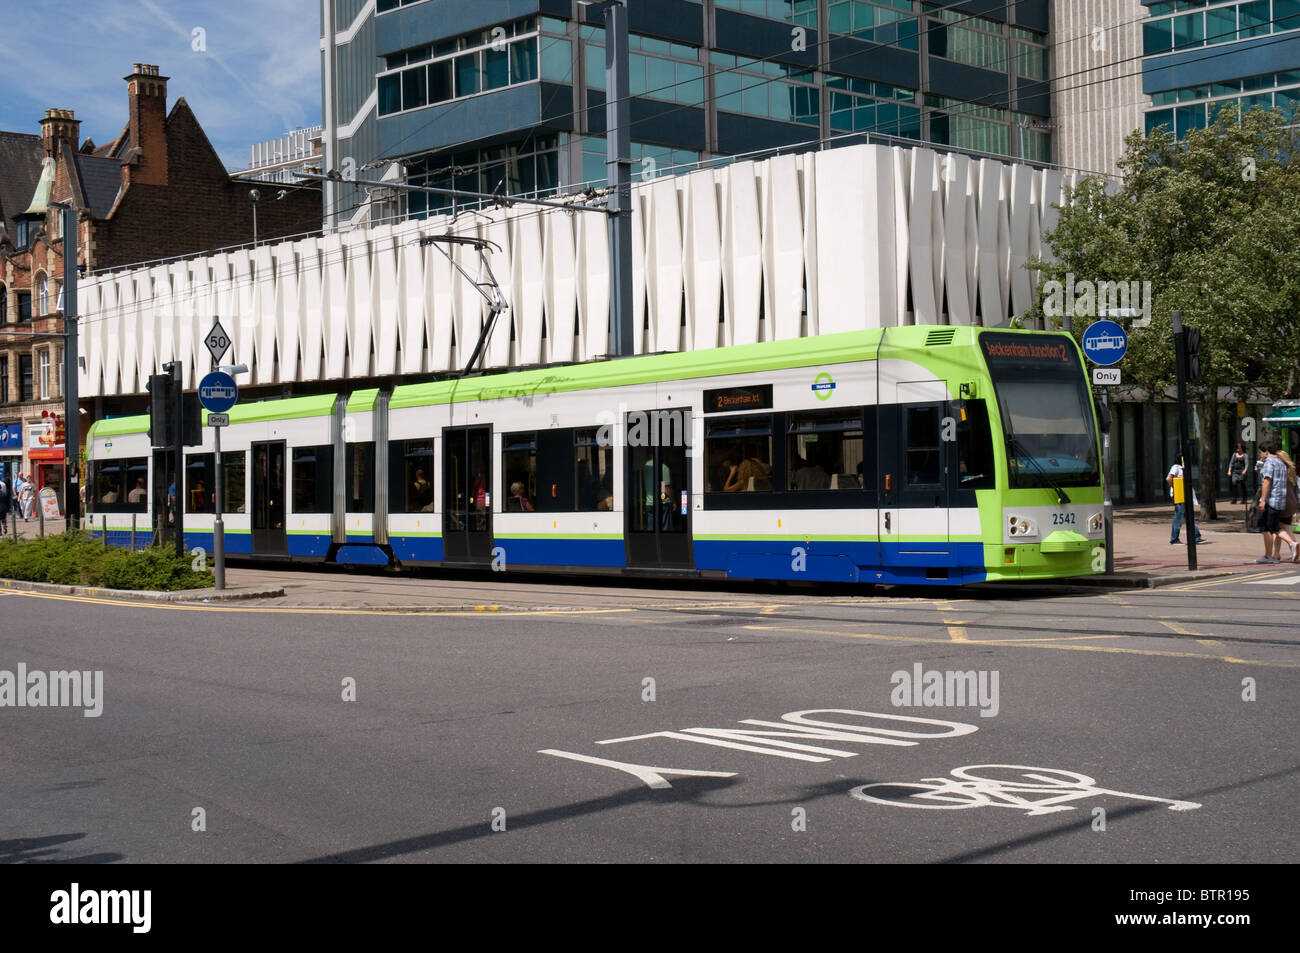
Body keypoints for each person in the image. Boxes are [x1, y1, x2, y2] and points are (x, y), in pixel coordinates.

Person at [1255, 442, 1294, 563]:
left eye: (1261, 452)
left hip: (1271, 500)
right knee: (1271, 527)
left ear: (1266, 452)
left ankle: (1291, 545)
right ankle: (1270, 555)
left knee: (1268, 528)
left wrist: (1262, 500)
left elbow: (1267, 481)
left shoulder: (1269, 462)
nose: (1260, 455)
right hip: (1280, 501)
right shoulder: (1281, 462)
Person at [1166, 455, 1204, 545]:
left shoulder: (1183, 468)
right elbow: (1168, 478)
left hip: (1185, 495)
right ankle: (1174, 539)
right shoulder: (1176, 467)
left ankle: (1196, 537)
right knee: (1178, 516)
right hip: (1179, 495)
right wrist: (1175, 487)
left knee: (1189, 516)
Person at [1272, 449, 1300, 563]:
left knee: (1274, 527)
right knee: (1286, 527)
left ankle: (1291, 546)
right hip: (1292, 502)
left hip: (1282, 502)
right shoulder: (1291, 472)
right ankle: (1278, 554)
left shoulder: (1279, 470)